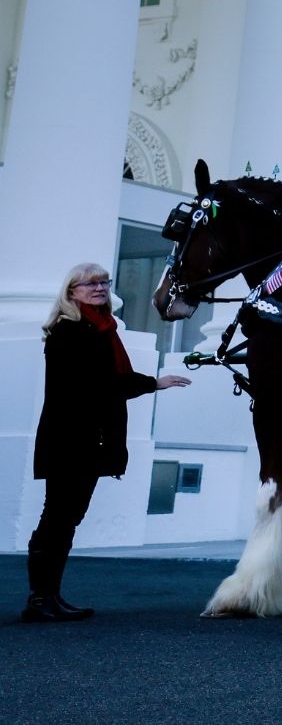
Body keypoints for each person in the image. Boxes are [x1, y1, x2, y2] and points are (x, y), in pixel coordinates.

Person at [24, 263, 191, 622]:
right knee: (58, 519)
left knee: (65, 519)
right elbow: (100, 384)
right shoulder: (69, 331)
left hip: (87, 440)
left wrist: (146, 383)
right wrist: (153, 383)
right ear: (72, 292)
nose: (99, 288)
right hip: (70, 440)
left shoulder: (100, 329)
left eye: (104, 282)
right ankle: (41, 600)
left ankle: (48, 596)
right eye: (90, 284)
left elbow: (110, 381)